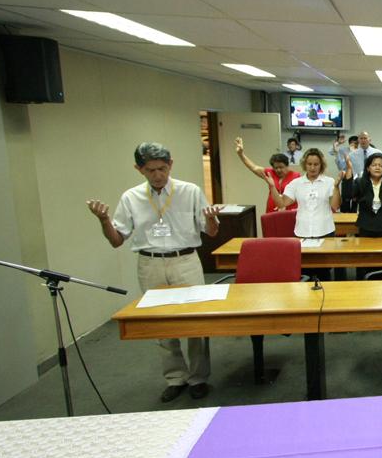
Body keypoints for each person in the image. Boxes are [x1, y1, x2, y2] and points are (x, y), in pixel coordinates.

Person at [86, 142, 222, 402]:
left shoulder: (189, 191)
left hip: (185, 260)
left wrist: (213, 217)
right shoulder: (131, 197)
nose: (158, 175)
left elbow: (211, 231)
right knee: (160, 323)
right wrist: (104, 220)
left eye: (162, 168)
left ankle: (198, 377)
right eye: (150, 170)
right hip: (150, 263)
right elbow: (117, 240)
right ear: (139, 169)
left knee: (197, 320)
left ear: (170, 165)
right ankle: (175, 377)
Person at [266, 148, 351, 238]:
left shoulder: (329, 181)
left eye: (316, 164)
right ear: (304, 165)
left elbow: (335, 205)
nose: (312, 168)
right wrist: (272, 187)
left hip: (325, 230)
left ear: (321, 165)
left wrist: (337, 187)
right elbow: (281, 204)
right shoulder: (296, 183)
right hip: (302, 231)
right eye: (309, 164)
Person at [234, 137, 300, 213]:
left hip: (289, 210)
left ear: (287, 166)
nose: (278, 170)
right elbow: (254, 167)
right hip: (271, 210)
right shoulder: (270, 173)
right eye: (276, 167)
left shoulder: (295, 176)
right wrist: (241, 154)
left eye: (281, 167)